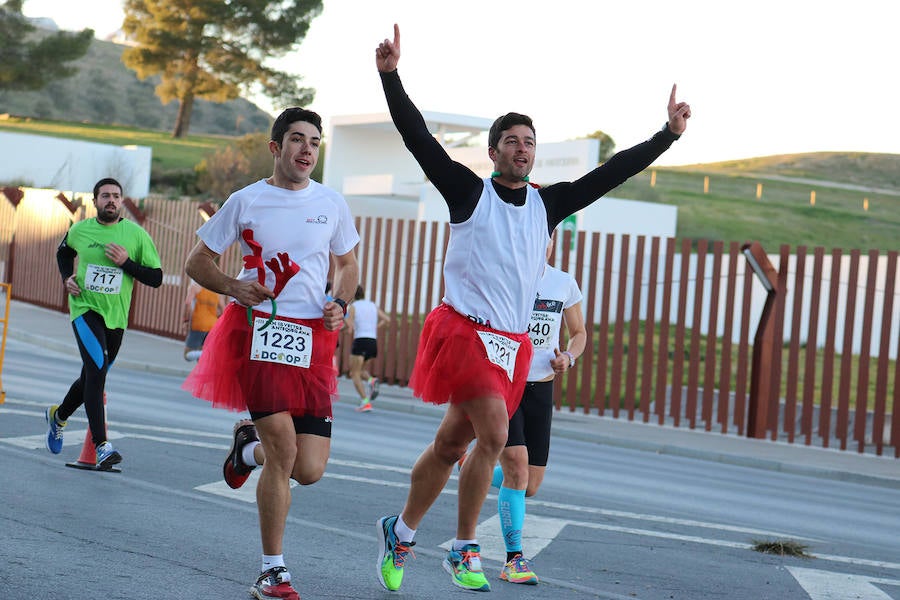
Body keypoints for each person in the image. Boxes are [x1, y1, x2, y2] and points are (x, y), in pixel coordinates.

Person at [373, 24, 690, 593]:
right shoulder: (469, 192)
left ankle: (400, 530)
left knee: (452, 444)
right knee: (493, 436)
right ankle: (465, 549)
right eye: (513, 141)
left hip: (511, 346)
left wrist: (667, 134)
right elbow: (417, 136)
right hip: (465, 330)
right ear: (494, 151)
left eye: (530, 142)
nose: (523, 149)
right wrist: (391, 76)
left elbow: (612, 172)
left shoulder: (548, 205)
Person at [181, 107, 359, 600]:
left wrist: (339, 302)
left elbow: (347, 264)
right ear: (275, 147)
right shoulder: (246, 200)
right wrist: (235, 286)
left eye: (315, 142)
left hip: (313, 339)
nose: (307, 149)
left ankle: (245, 448)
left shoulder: (332, 203)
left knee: (309, 468)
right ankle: (272, 570)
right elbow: (197, 261)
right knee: (284, 452)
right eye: (298, 140)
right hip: (261, 331)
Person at [461, 233, 586, 585]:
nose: (538, 245)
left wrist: (569, 357)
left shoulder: (563, 283)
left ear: (551, 244)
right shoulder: (504, 277)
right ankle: (513, 559)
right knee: (516, 468)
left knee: (530, 484)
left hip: (541, 388)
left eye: (544, 239)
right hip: (504, 383)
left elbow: (579, 332)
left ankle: (473, 466)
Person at [47, 177, 163, 469]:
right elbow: (64, 252)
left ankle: (58, 416)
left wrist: (126, 263)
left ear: (122, 201)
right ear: (95, 201)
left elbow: (156, 278)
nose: (111, 200)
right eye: (105, 196)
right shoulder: (80, 229)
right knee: (97, 371)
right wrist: (67, 278)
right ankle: (101, 446)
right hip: (84, 308)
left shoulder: (135, 235)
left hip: (116, 317)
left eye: (116, 196)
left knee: (91, 376)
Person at [345, 285, 390, 411]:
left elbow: (350, 326)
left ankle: (366, 402)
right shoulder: (372, 305)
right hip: (372, 342)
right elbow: (387, 319)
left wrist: (345, 321)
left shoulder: (353, 307)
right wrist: (374, 328)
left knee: (354, 374)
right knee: (359, 371)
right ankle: (371, 380)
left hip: (360, 340)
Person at [181, 278, 225, 361]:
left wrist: (185, 320)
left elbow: (187, 303)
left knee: (187, 355)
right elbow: (223, 309)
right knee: (201, 359)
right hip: (213, 326)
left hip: (198, 324)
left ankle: (205, 354)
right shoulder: (217, 292)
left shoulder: (195, 287)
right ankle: (206, 355)